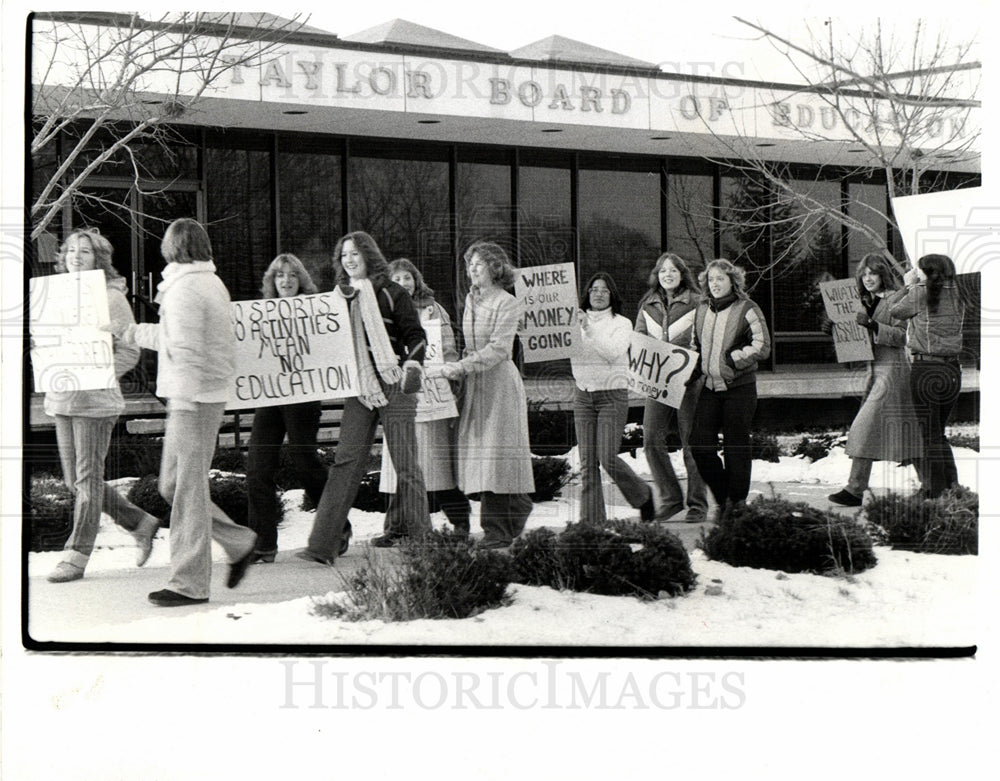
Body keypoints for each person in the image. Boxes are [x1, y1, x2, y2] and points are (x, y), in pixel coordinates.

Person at [114, 218, 257, 606]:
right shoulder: (199, 282)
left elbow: (188, 350)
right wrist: (129, 333)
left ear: (171, 247)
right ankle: (239, 541)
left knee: (186, 490)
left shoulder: (188, 288)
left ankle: (188, 583)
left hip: (192, 399)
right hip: (198, 396)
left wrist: (185, 399)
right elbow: (176, 339)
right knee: (173, 486)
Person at [299, 232, 431, 564]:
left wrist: (412, 364)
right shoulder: (335, 299)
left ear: (369, 256)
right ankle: (322, 544)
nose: (349, 260)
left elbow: (415, 335)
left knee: (405, 463)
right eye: (344, 255)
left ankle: (423, 541)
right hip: (359, 388)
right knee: (345, 463)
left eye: (355, 253)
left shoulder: (392, 292)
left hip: (393, 383)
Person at [42, 228, 161, 583]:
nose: (77, 256)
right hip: (62, 396)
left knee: (88, 479)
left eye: (86, 252)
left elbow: (130, 349)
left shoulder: (111, 297)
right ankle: (140, 522)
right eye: (72, 251)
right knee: (74, 481)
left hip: (95, 400)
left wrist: (97, 370)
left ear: (99, 260)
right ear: (63, 257)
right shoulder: (55, 296)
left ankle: (76, 555)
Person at [431, 241, 534, 549]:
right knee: (482, 457)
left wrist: (462, 366)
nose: (471, 270)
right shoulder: (471, 300)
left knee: (496, 457)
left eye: (478, 264)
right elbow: (471, 344)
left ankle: (497, 530)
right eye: (469, 265)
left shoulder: (507, 302)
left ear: (494, 268)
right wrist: (456, 366)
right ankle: (517, 507)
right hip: (475, 383)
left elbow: (500, 349)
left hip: (499, 384)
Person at [245, 254, 330, 562]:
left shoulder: (315, 310)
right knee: (257, 467)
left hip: (304, 396)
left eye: (293, 274)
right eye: (280, 275)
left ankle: (337, 527)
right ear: (272, 281)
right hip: (270, 397)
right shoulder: (260, 313)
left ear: (301, 280)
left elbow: (328, 348)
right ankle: (263, 542)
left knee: (304, 461)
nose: (286, 280)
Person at [380, 258, 471, 535]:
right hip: (398, 392)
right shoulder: (384, 309)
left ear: (416, 280)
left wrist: (451, 376)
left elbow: (447, 346)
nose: (403, 283)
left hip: (432, 393)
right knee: (400, 463)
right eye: (397, 279)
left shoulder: (433, 309)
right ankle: (395, 527)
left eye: (407, 278)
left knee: (436, 463)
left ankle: (460, 519)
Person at [828, 254, 921, 507]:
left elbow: (903, 336)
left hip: (892, 369)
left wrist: (873, 325)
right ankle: (931, 485)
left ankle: (855, 489)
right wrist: (836, 330)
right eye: (864, 273)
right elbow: (857, 343)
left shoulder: (897, 297)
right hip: (873, 371)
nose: (868, 278)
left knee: (864, 427)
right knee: (903, 431)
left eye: (873, 273)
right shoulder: (858, 302)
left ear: (883, 275)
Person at [687, 259, 771, 521]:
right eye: (711, 279)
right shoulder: (701, 310)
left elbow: (762, 345)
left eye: (720, 278)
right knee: (699, 445)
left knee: (736, 446)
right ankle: (725, 499)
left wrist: (733, 359)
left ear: (732, 281)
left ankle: (736, 503)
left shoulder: (747, 308)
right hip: (710, 388)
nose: (715, 283)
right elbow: (695, 346)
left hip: (739, 389)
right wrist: (688, 369)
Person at [571, 272, 654, 524]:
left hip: (611, 396)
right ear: (587, 293)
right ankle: (592, 524)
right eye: (594, 289)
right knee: (587, 464)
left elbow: (612, 352)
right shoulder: (573, 322)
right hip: (583, 395)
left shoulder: (622, 323)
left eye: (604, 290)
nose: (598, 293)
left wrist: (587, 329)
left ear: (612, 295)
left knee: (606, 457)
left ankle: (643, 495)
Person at [633, 252, 708, 521]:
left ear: (682, 274)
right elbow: (639, 338)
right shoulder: (647, 304)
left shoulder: (698, 302)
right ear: (657, 274)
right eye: (663, 270)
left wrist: (697, 368)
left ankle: (698, 504)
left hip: (690, 382)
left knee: (692, 444)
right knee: (651, 440)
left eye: (673, 270)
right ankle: (671, 498)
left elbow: (706, 339)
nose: (668, 274)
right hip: (658, 382)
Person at [889, 253, 966, 498]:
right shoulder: (957, 294)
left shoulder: (920, 292)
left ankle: (933, 491)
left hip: (926, 369)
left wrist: (907, 284)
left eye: (918, 269)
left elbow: (894, 311)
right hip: (953, 370)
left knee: (928, 435)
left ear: (927, 273)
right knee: (938, 433)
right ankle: (951, 489)